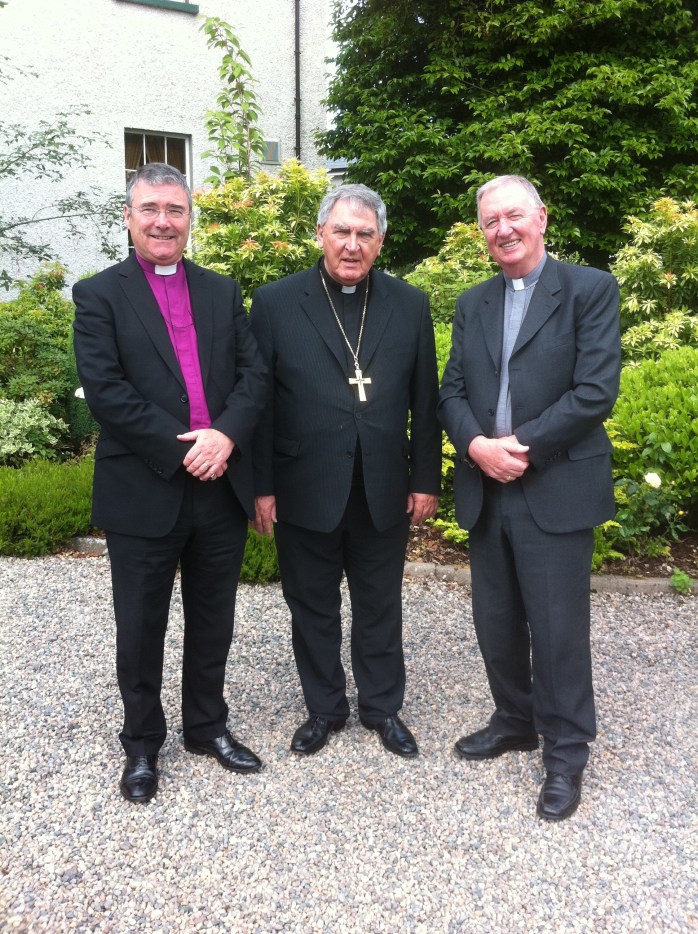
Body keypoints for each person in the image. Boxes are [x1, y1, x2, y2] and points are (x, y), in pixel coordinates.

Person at [73, 163, 266, 803]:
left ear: (190, 219)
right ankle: (141, 743)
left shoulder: (221, 291)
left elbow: (252, 377)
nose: (163, 221)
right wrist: (184, 449)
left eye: (175, 210)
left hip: (219, 486)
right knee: (140, 624)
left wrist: (226, 436)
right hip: (146, 487)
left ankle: (206, 726)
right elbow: (107, 393)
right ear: (128, 218)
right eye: (150, 208)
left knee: (214, 619)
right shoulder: (98, 295)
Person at [439, 175, 621, 820]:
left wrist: (520, 445)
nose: (503, 230)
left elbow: (596, 390)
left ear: (540, 218)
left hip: (555, 481)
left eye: (513, 216)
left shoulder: (589, 289)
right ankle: (514, 719)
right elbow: (451, 390)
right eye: (490, 222)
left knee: (558, 627)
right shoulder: (474, 302)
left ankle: (567, 750)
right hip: (488, 483)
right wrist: (477, 447)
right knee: (496, 621)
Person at [249, 184, 441, 758]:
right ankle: (325, 708)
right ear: (320, 235)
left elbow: (424, 401)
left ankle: (382, 707)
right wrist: (260, 487)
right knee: (311, 604)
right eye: (342, 231)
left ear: (380, 242)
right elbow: (258, 404)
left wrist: (425, 478)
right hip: (304, 483)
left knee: (380, 602)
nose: (352, 244)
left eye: (364, 234)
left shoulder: (409, 304)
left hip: (383, 484)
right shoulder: (276, 302)